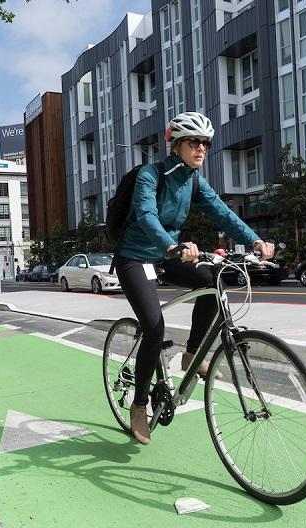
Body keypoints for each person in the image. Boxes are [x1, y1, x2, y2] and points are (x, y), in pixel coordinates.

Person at [114, 111, 275, 445]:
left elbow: (223, 213)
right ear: (177, 145)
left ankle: (191, 354)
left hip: (165, 254)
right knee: (154, 328)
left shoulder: (194, 180)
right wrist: (172, 245)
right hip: (136, 257)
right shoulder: (150, 174)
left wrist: (255, 240)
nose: (201, 149)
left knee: (213, 280)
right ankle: (139, 405)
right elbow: (145, 215)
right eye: (194, 142)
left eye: (205, 143)